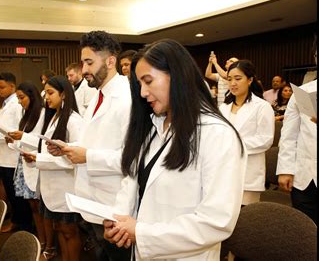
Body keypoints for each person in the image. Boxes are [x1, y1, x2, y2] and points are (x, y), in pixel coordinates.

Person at [102, 39, 247, 260]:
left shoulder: (216, 134)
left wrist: (141, 232)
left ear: (177, 76)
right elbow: (133, 180)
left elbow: (215, 221)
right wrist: (119, 220)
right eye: (139, 84)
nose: (142, 92)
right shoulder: (154, 127)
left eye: (148, 81)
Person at [47, 30, 132, 261]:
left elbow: (132, 158)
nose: (84, 70)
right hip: (93, 203)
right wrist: (67, 148)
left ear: (111, 61)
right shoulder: (97, 96)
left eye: (89, 62)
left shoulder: (127, 98)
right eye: (83, 62)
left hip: (114, 206)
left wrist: (88, 156)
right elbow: (90, 142)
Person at [26, 75, 83, 260]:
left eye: (50, 93)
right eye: (45, 94)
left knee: (69, 231)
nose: (46, 98)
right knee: (59, 228)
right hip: (51, 187)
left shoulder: (74, 121)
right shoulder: (54, 117)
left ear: (64, 94)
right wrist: (36, 157)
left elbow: (75, 157)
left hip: (66, 187)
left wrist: (39, 159)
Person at [0, 73, 33, 233]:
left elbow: (18, 129)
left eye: (2, 87)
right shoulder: (5, 104)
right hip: (3, 156)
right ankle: (18, 221)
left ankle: (23, 225)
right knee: (11, 194)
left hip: (11, 156)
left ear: (12, 86)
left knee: (17, 195)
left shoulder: (16, 105)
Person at [219, 60, 274, 205]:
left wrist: (234, 145)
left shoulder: (262, 106)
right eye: (229, 79)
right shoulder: (224, 107)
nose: (233, 83)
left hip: (248, 173)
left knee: (245, 220)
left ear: (250, 80)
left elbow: (265, 139)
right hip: (223, 171)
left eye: (238, 79)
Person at [277, 37, 317, 224]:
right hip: (304, 176)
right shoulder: (303, 92)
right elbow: (289, 135)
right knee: (305, 231)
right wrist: (285, 170)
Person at [6, 81, 47, 252]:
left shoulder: (43, 113)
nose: (20, 101)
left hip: (37, 162)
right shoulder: (26, 114)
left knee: (40, 206)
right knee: (32, 205)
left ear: (32, 95)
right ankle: (39, 237)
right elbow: (24, 139)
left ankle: (46, 242)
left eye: (21, 97)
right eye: (17, 98)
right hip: (24, 161)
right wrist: (13, 140)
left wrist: (23, 136)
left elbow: (43, 141)